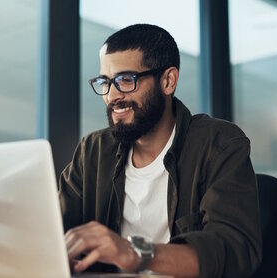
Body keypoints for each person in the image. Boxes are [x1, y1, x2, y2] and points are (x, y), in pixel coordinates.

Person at [59, 24, 262, 277]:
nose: (111, 96)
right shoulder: (93, 151)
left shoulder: (218, 143)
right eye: (105, 82)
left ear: (168, 81)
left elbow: (233, 250)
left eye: (125, 80)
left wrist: (135, 253)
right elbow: (54, 231)